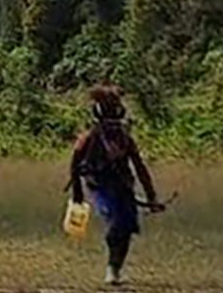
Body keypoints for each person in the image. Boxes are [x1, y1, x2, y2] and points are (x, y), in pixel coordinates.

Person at [68, 85, 163, 286]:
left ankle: (114, 268)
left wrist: (151, 196)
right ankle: (112, 266)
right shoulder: (88, 138)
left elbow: (139, 167)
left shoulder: (125, 139)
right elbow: (74, 165)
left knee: (127, 227)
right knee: (116, 222)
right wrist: (77, 193)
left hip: (123, 187)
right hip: (99, 186)